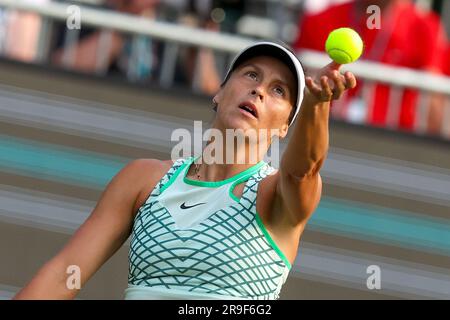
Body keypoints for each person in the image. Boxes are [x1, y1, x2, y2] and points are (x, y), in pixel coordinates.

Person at [13, 41, 356, 300]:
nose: (259, 90)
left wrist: (317, 105)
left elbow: (302, 171)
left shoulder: (275, 195)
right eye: (252, 74)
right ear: (219, 93)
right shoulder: (142, 179)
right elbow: (63, 274)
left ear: (285, 127)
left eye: (278, 90)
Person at [293, 0, 447, 132]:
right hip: (323, 131)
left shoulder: (426, 28)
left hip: (396, 145)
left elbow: (435, 107)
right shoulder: (317, 21)